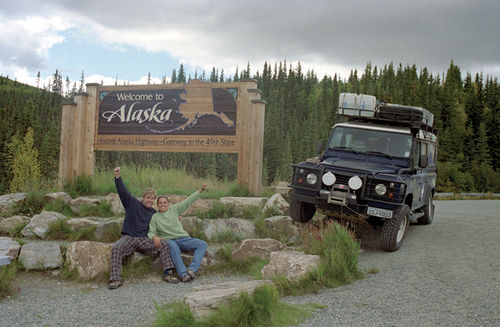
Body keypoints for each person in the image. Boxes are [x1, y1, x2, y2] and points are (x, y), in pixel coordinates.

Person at [108, 167, 177, 290]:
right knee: (117, 247)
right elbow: (122, 191)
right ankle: (115, 279)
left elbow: (164, 222)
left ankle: (168, 274)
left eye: (152, 198)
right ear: (143, 197)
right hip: (129, 237)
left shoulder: (153, 213)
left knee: (165, 243)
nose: (150, 200)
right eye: (148, 198)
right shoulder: (132, 203)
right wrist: (117, 177)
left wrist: (177, 218)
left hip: (144, 240)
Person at [148, 184, 208, 283]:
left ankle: (192, 269)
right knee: (173, 246)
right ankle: (183, 274)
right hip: (169, 240)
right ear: (157, 205)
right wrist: (154, 236)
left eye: (165, 202)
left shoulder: (175, 209)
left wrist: (200, 190)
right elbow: (151, 231)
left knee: (202, 244)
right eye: (160, 203)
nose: (163, 204)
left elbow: (188, 201)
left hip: (183, 238)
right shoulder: (155, 217)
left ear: (168, 203)